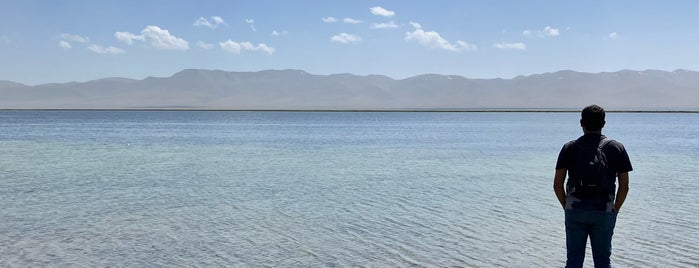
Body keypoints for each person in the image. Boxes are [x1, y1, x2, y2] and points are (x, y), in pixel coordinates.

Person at [553, 104, 632, 268]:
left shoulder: (569, 148)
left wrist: (567, 206)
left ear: (581, 123)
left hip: (575, 209)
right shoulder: (617, 148)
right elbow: (624, 186)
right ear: (604, 123)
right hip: (604, 211)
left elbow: (557, 184)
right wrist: (614, 209)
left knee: (573, 262)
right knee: (603, 262)